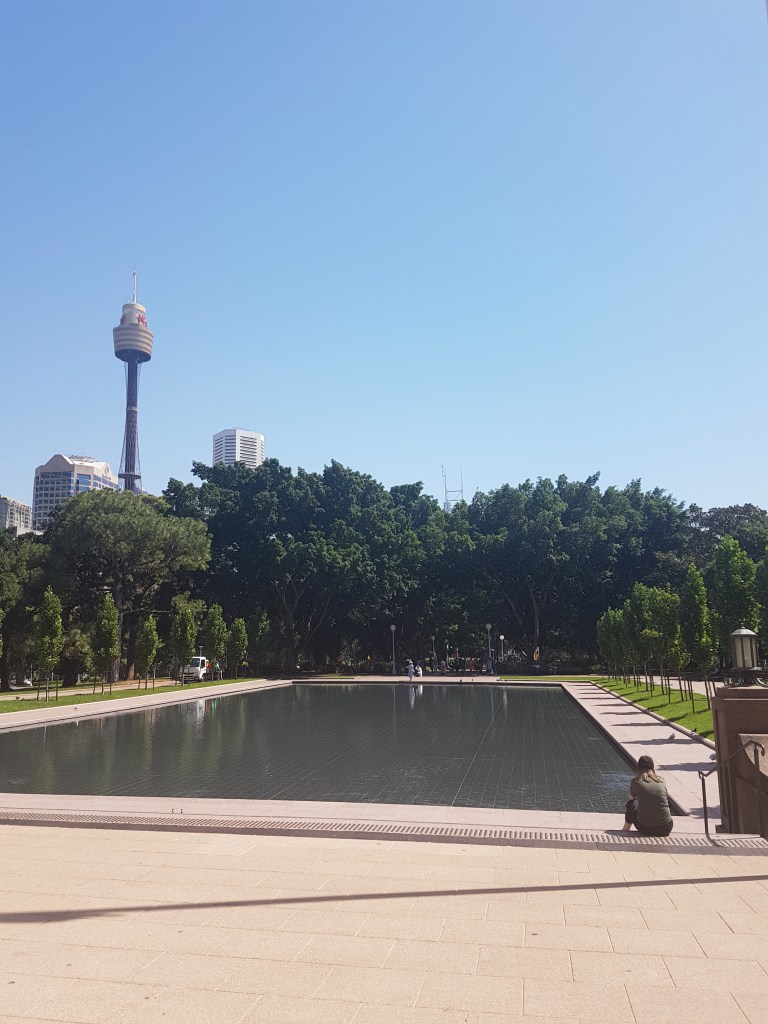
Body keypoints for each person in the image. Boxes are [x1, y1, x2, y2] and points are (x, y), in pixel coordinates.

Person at [622, 756, 673, 837]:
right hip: (666, 827)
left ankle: (626, 829)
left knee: (632, 803)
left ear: (638, 768)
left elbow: (631, 798)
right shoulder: (662, 780)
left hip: (645, 828)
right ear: (652, 768)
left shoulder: (636, 781)